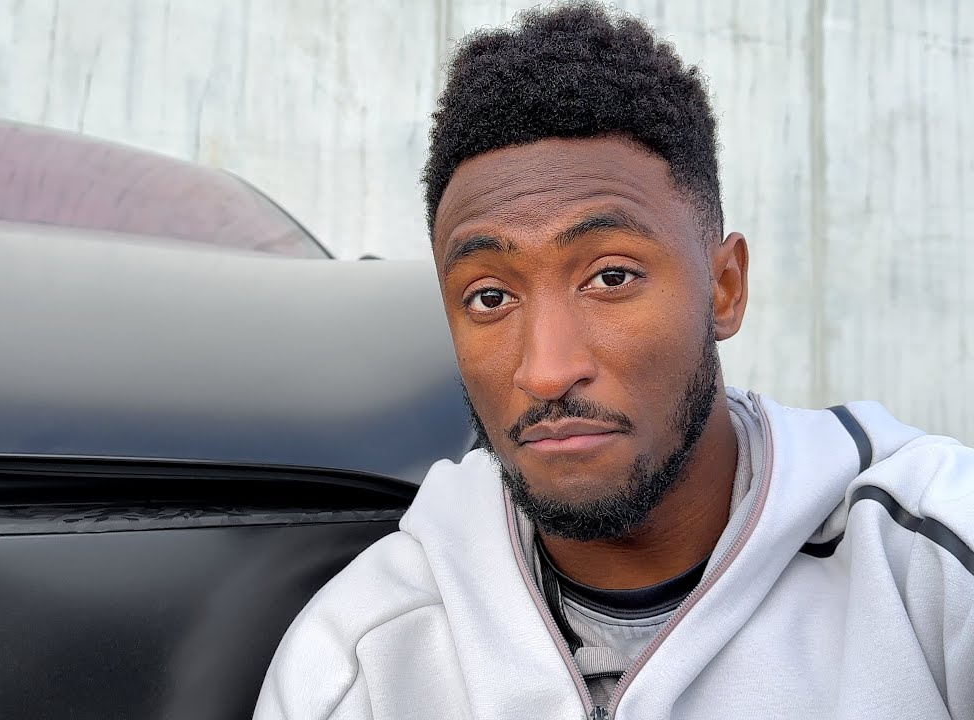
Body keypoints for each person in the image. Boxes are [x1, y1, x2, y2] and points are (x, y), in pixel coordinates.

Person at [253, 3, 973, 719]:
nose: (546, 370)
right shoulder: (358, 664)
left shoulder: (931, 566)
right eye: (490, 296)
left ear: (725, 288)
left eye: (611, 277)